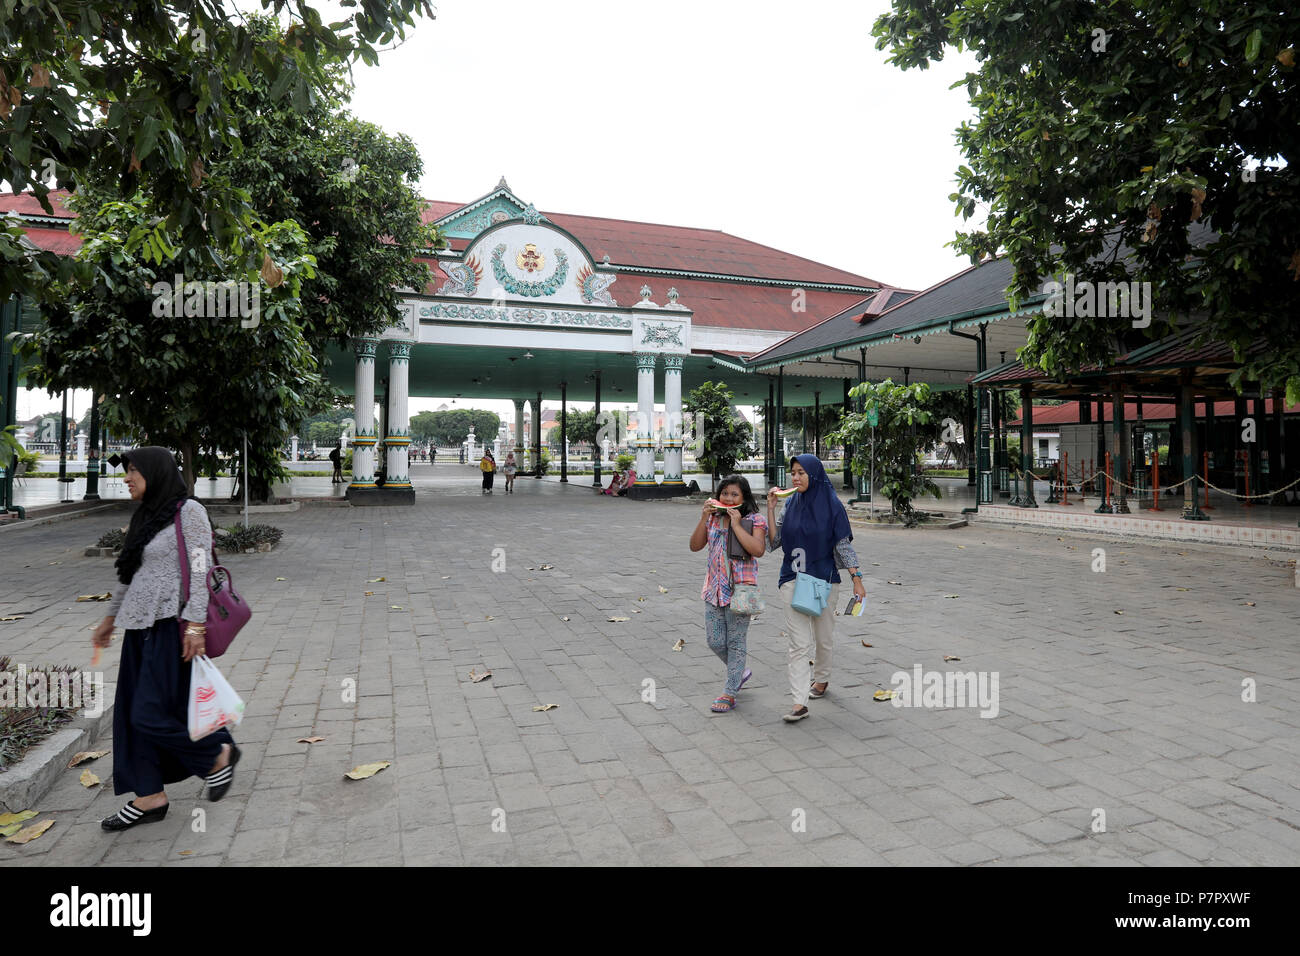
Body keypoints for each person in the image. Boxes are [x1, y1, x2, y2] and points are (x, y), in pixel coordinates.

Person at [90, 447, 240, 831]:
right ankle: (149, 796)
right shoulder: (146, 515)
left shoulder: (187, 511)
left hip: (172, 626)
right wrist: (110, 619)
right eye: (126, 472)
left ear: (155, 472)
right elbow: (132, 575)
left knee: (149, 713)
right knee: (132, 716)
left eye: (134, 471)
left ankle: (216, 753)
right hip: (139, 629)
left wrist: (194, 624)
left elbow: (202, 564)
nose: (126, 478)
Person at [766, 454, 865, 723]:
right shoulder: (790, 503)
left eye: (801, 472)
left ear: (814, 474)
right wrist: (772, 509)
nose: (795, 478)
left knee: (823, 637)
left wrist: (857, 577)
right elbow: (771, 544)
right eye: (793, 473)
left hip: (823, 580)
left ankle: (821, 678)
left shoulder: (832, 505)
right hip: (792, 579)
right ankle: (799, 703)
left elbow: (843, 545)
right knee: (798, 643)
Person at [689, 475, 767, 713]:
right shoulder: (713, 518)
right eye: (725, 493)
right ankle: (740, 671)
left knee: (735, 642)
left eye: (735, 494)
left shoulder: (755, 520)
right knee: (714, 640)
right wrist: (703, 517)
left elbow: (758, 550)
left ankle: (729, 692)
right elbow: (694, 545)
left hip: (740, 591)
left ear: (744, 498)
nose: (729, 498)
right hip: (713, 590)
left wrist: (736, 524)